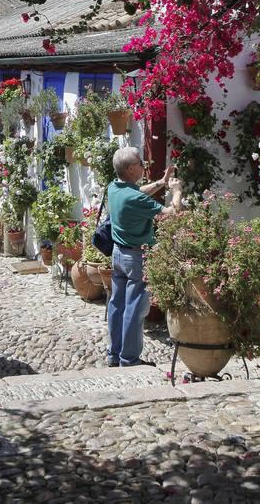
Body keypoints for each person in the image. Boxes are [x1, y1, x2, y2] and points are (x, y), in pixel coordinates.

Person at [107, 147, 182, 368]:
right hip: (136, 258)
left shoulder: (114, 187)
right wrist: (176, 191)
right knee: (135, 308)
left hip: (118, 254)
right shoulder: (135, 198)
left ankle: (114, 354)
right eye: (141, 163)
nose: (144, 165)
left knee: (117, 305)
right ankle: (129, 360)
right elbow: (171, 214)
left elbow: (138, 192)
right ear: (131, 169)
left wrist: (161, 182)